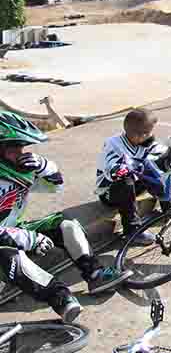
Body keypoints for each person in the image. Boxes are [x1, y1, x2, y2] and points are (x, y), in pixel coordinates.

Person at [1, 111, 131, 323]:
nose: (20, 153)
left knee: (66, 225)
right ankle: (61, 298)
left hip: (14, 227)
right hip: (5, 241)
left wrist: (45, 167)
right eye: (13, 149)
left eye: (21, 148)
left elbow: (56, 186)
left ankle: (95, 274)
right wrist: (29, 239)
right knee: (11, 256)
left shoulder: (14, 173)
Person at [96, 108, 171, 246]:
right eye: (149, 132)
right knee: (126, 180)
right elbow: (110, 166)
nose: (152, 135)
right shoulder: (112, 144)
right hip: (110, 192)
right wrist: (119, 169)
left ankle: (168, 207)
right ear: (139, 136)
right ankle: (132, 229)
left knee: (155, 167)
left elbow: (160, 152)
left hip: (135, 183)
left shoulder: (144, 142)